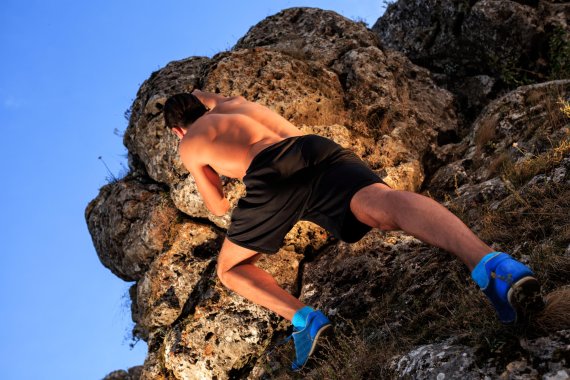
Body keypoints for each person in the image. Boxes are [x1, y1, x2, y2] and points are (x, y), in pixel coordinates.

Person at [162, 90, 543, 371]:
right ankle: (492, 265)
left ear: (179, 130)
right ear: (204, 103)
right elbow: (243, 111)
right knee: (385, 203)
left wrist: (206, 165)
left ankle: (306, 321)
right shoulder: (237, 103)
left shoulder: (189, 141)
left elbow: (218, 205)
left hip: (268, 172)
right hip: (312, 149)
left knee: (231, 269)